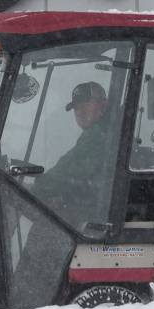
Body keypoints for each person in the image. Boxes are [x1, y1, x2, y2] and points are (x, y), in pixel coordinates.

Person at [34, 81, 110, 215]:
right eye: (76, 108)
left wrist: (39, 187)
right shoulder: (100, 132)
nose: (80, 112)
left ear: (103, 105)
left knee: (46, 223)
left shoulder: (99, 135)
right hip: (91, 202)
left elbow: (70, 170)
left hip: (94, 209)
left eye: (86, 105)